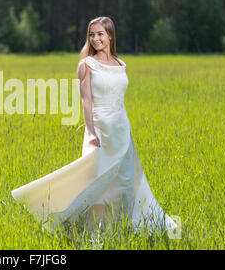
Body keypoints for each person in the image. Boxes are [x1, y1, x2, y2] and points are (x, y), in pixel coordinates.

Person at [11, 16, 177, 240]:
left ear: (110, 35)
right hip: (99, 130)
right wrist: (90, 132)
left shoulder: (120, 64)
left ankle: (123, 230)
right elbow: (86, 101)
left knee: (126, 182)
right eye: (92, 34)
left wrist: (125, 128)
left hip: (122, 130)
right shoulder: (86, 65)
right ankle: (76, 223)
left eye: (100, 34)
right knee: (97, 182)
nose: (96, 38)